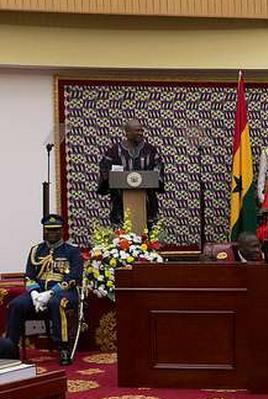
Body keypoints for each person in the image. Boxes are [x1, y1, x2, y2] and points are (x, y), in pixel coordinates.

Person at [3, 214, 83, 365]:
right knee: (16, 304)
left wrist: (51, 293)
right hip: (38, 292)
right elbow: (29, 276)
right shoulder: (36, 251)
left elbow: (74, 278)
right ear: (44, 231)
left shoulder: (72, 252)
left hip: (65, 293)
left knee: (55, 303)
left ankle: (63, 348)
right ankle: (10, 348)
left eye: (56, 230)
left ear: (62, 231)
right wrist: (34, 294)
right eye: (48, 230)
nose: (52, 233)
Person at [97, 118, 165, 227]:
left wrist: (151, 178)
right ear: (127, 132)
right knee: (122, 230)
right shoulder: (115, 150)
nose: (141, 133)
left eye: (141, 130)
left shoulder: (150, 150)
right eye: (137, 131)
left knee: (148, 231)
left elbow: (158, 166)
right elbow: (105, 167)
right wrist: (113, 178)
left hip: (146, 200)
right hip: (120, 201)